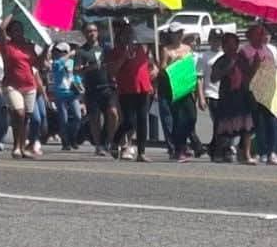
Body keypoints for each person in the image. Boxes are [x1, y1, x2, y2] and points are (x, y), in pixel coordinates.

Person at [106, 22, 153, 162]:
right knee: (129, 121)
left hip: (143, 87)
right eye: (126, 33)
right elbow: (112, 72)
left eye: (131, 33)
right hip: (126, 89)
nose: (129, 36)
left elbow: (149, 65)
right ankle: (115, 142)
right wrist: (124, 57)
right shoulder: (115, 52)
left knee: (142, 120)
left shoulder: (141, 49)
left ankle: (141, 152)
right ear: (120, 36)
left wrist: (153, 71)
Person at [241, 23, 277, 165]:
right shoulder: (245, 51)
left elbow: (275, 69)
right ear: (250, 36)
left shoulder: (268, 50)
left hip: (269, 89)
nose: (261, 36)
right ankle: (262, 151)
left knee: (272, 120)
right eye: (257, 33)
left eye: (262, 34)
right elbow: (245, 73)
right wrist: (255, 65)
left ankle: (272, 152)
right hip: (253, 91)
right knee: (259, 122)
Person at [0, 18, 43, 159]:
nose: (18, 32)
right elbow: (1, 29)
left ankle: (23, 147)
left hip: (29, 85)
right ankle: (16, 146)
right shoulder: (7, 46)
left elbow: (37, 64)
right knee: (19, 113)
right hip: (12, 85)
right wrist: (12, 11)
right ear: (10, 32)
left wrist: (47, 48)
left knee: (25, 119)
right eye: (15, 30)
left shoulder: (29, 46)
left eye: (20, 29)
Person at [209, 31, 255, 163]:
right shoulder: (221, 60)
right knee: (224, 127)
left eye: (233, 44)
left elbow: (250, 73)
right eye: (227, 45)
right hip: (227, 97)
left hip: (243, 95)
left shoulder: (242, 59)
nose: (230, 48)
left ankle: (244, 154)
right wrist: (227, 68)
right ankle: (220, 152)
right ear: (223, 47)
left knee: (246, 126)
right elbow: (213, 78)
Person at [76, 23, 117, 155]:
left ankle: (110, 141)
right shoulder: (81, 51)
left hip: (107, 86)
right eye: (89, 31)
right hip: (92, 88)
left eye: (94, 30)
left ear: (98, 32)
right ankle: (98, 145)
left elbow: (112, 64)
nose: (92, 33)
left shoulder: (105, 48)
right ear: (84, 34)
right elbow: (76, 70)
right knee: (95, 118)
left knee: (113, 113)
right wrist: (88, 68)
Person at [158, 29, 197, 161]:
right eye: (176, 33)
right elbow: (162, 69)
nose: (179, 35)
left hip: (186, 87)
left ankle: (182, 144)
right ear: (171, 35)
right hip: (173, 88)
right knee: (178, 119)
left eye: (180, 33)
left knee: (191, 117)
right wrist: (175, 62)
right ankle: (179, 148)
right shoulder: (166, 50)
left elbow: (191, 67)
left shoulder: (187, 48)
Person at [49, 42, 82, 152]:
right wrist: (69, 54)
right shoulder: (55, 63)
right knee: (64, 119)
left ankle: (73, 137)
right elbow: (58, 65)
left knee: (78, 116)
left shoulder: (70, 62)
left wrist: (79, 84)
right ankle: (65, 142)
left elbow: (73, 75)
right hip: (60, 94)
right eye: (57, 51)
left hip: (72, 93)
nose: (58, 53)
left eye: (61, 51)